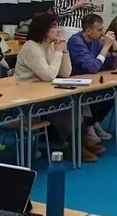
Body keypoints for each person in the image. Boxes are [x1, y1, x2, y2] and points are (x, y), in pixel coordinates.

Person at [15, 12, 100, 162]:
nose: (58, 30)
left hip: (44, 93)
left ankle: (79, 143)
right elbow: (49, 76)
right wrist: (59, 52)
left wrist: (65, 51)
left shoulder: (51, 46)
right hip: (27, 99)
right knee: (68, 105)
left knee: (78, 100)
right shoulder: (31, 47)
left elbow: (66, 73)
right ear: (44, 30)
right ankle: (75, 146)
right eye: (54, 27)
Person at [68, 13, 117, 147]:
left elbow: (111, 66)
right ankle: (88, 126)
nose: (103, 33)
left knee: (114, 91)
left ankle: (93, 123)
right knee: (100, 94)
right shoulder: (76, 42)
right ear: (88, 31)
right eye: (100, 30)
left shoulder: (97, 41)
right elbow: (92, 67)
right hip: (76, 84)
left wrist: (113, 49)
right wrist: (106, 47)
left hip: (92, 82)